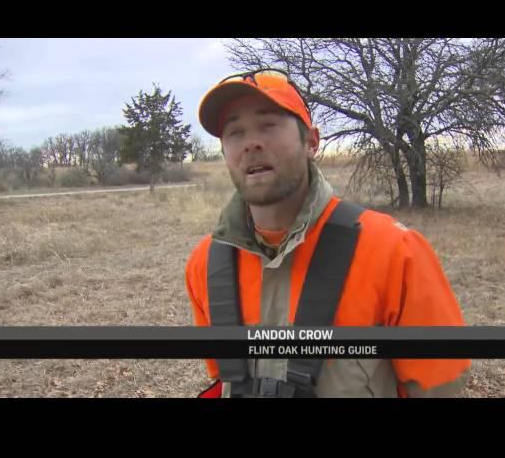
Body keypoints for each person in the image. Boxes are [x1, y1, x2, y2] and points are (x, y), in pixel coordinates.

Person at [185, 68, 470, 398]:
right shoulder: (205, 264)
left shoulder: (394, 251)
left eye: (268, 125)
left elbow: (439, 387)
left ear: (312, 142)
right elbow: (226, 377)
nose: (251, 143)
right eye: (235, 132)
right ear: (224, 153)